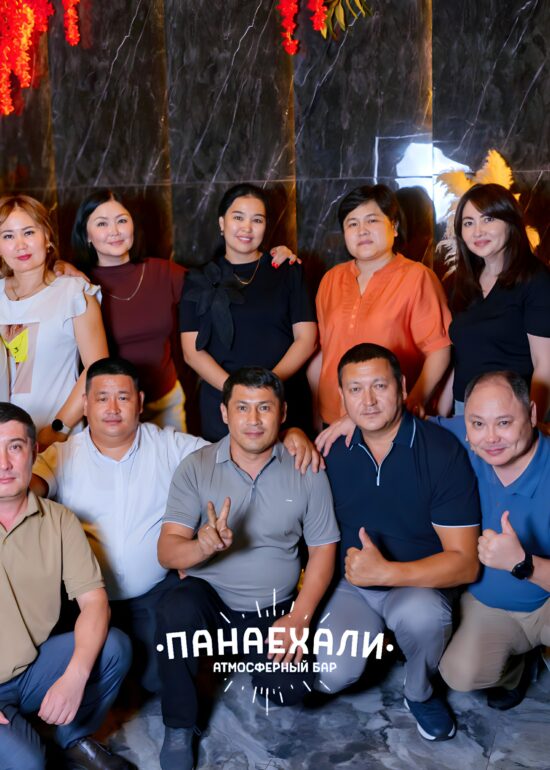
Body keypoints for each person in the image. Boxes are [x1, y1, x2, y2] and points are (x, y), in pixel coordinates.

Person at [31, 357, 319, 694]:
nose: (112, 408)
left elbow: (240, 449)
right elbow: (24, 489)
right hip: (85, 601)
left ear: (140, 402)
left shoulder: (169, 445)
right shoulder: (62, 455)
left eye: (123, 397)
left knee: (160, 681)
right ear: (85, 405)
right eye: (102, 398)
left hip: (152, 594)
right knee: (75, 674)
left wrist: (290, 432)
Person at [155, 367, 340, 770]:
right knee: (175, 609)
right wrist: (201, 546)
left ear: (283, 413)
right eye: (242, 408)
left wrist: (299, 617)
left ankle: (246, 657)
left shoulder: (305, 467)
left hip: (272, 607)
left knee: (291, 688)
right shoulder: (196, 466)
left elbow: (324, 549)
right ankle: (179, 726)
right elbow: (167, 552)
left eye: (264, 408)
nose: (253, 420)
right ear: (224, 413)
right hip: (209, 601)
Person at [316, 343, 480, 741]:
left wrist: (387, 572)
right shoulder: (331, 449)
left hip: (415, 584)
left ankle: (419, 692)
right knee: (332, 674)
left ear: (403, 387)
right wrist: (292, 435)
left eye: (380, 386)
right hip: (352, 587)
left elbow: (465, 563)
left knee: (425, 618)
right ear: (341, 397)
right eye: (355, 389)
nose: (368, 401)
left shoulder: (441, 451)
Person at [0, 402, 134, 770]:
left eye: (14, 447)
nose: (4, 463)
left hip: (32, 668)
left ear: (34, 452)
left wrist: (74, 677)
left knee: (114, 647)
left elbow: (95, 603)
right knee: (30, 763)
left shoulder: (59, 521)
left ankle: (73, 737)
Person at [437, 371, 550, 710]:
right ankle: (516, 668)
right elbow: (398, 424)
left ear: (531, 414)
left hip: (545, 602)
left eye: (504, 422)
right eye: (478, 424)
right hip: (489, 607)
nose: (490, 438)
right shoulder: (463, 444)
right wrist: (350, 422)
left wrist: (522, 563)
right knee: (459, 673)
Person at [180, 183, 317, 441]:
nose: (247, 227)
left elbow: (307, 339)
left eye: (257, 220)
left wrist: (268, 388)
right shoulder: (197, 278)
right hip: (222, 403)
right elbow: (192, 352)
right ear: (222, 222)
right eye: (238, 217)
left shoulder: (288, 270)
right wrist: (238, 393)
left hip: (282, 399)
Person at [310, 185, 451, 432]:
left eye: (372, 220)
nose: (362, 230)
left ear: (394, 227)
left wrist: (415, 399)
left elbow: (439, 349)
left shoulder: (417, 277)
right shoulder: (331, 279)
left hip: (392, 417)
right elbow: (324, 351)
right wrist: (316, 409)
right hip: (334, 418)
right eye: (352, 224)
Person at [70, 190, 188, 430]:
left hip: (165, 403)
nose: (114, 231)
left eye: (122, 220)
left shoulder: (164, 272)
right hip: (111, 411)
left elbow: (217, 285)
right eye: (102, 223)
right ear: (86, 235)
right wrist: (59, 266)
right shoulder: (78, 285)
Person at [0, 195, 108, 447]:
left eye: (29, 232)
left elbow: (97, 368)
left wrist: (58, 429)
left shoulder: (75, 293)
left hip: (59, 440)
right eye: (8, 236)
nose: (20, 245)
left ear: (47, 236)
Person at [444, 183, 550, 418]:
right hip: (464, 410)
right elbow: (460, 357)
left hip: (510, 413)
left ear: (510, 222)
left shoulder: (536, 280)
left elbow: (545, 365)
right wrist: (439, 415)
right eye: (468, 223)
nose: (477, 231)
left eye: (488, 219)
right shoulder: (458, 282)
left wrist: (530, 423)